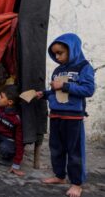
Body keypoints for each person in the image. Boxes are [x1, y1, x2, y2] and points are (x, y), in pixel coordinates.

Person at [36, 33, 95, 197]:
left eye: (60, 52)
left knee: (75, 151)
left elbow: (88, 90)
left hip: (73, 117)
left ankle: (76, 183)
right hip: (55, 116)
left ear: (73, 49)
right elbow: (57, 92)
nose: (57, 56)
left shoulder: (84, 67)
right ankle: (60, 176)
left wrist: (65, 85)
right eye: (54, 53)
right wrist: (45, 93)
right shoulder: (58, 70)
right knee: (56, 148)